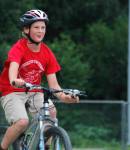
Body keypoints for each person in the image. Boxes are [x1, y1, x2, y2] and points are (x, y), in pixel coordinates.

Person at [0, 9, 79, 150]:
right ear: (26, 29)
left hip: (34, 90)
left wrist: (65, 98)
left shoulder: (47, 52)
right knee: (22, 122)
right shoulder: (19, 48)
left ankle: (45, 146)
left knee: (51, 113)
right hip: (12, 90)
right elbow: (13, 68)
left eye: (43, 27)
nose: (40, 31)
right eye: (36, 27)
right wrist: (14, 80)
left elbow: (54, 85)